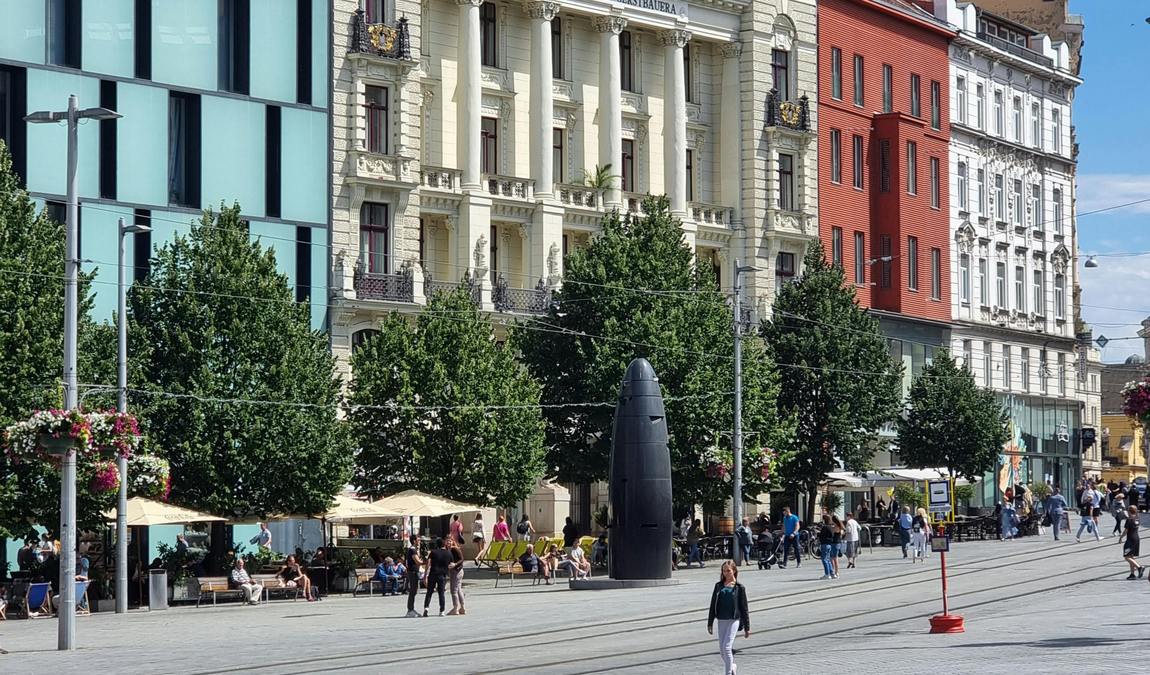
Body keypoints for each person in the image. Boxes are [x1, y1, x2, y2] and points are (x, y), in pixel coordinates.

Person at [707, 561, 750, 675]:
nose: (726, 573)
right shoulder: (718, 586)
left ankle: (728, 673)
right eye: (724, 571)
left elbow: (744, 608)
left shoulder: (739, 588)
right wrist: (710, 622)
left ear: (734, 571)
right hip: (721, 619)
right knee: (722, 651)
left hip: (733, 620)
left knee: (727, 648)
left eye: (728, 571)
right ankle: (733, 667)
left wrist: (747, 627)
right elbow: (712, 605)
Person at [423, 538, 452, 617]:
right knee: (441, 593)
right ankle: (442, 611)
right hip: (442, 575)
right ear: (444, 544)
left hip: (433, 573)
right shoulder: (448, 553)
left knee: (429, 592)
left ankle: (426, 608)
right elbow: (451, 564)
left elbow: (428, 563)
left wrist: (425, 574)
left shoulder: (433, 552)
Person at [1118, 506, 1144, 580]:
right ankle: (1132, 574)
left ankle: (1139, 567)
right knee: (1131, 556)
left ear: (1129, 511)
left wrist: (1121, 537)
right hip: (1136, 539)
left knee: (1126, 557)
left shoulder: (1129, 520)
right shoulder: (1137, 519)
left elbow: (1126, 531)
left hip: (1130, 540)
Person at [403, 534, 424, 618]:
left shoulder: (413, 549)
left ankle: (411, 609)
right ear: (414, 541)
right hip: (413, 572)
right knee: (413, 591)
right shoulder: (412, 550)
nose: (419, 542)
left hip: (414, 572)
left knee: (414, 590)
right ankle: (410, 610)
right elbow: (418, 561)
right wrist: (427, 561)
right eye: (418, 540)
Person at [445, 535, 466, 615]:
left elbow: (462, 559)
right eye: (447, 541)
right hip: (454, 571)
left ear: (453, 541)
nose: (448, 542)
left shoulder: (455, 549)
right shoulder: (448, 550)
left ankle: (455, 608)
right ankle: (462, 608)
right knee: (459, 589)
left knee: (453, 590)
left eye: (450, 541)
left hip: (457, 571)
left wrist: (455, 564)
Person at [817, 514, 836, 580]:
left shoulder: (825, 527)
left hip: (824, 544)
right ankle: (832, 573)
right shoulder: (831, 526)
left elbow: (822, 536)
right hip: (829, 544)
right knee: (828, 559)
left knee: (824, 559)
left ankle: (827, 574)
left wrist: (819, 534)